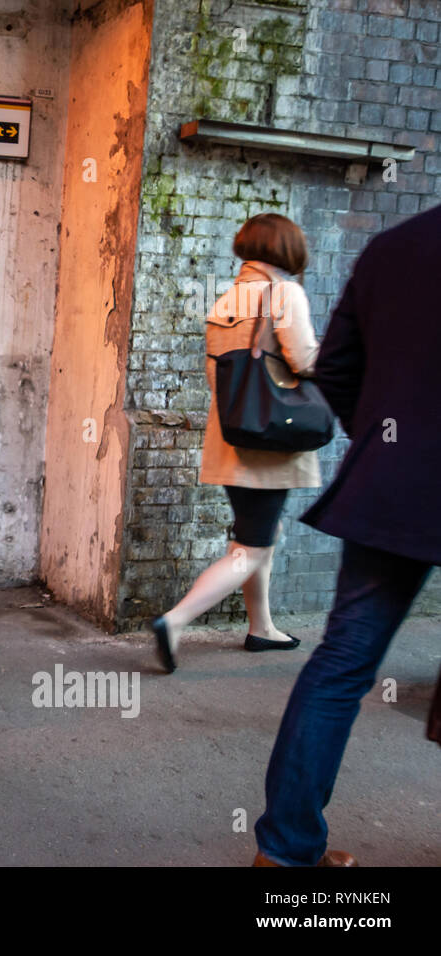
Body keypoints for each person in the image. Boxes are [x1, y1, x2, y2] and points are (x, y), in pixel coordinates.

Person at [252, 203, 441, 867]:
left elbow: (332, 370)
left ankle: (284, 851)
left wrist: (393, 442)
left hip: (391, 489)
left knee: (341, 663)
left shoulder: (393, 247)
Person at [150, 214, 321, 673]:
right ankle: (176, 619)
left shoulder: (227, 298)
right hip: (271, 439)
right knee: (251, 547)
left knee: (259, 534)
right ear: (287, 249)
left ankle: (262, 628)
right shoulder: (284, 293)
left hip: (234, 437)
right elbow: (304, 358)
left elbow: (218, 378)